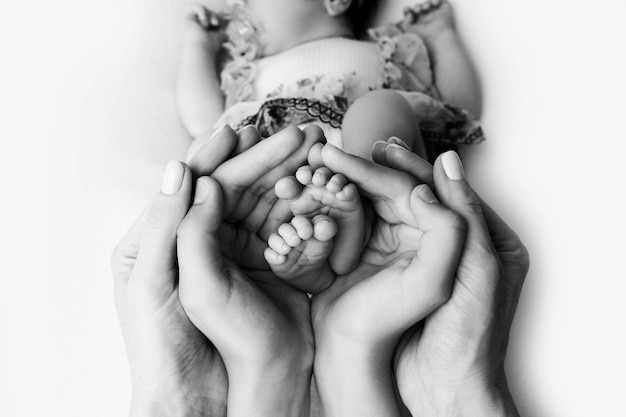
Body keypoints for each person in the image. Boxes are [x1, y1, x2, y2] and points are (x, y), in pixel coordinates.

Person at [112, 127, 528, 416]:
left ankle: (346, 232)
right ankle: (354, 216)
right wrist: (455, 396)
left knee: (215, 150)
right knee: (381, 116)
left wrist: (181, 401)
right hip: (330, 180)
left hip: (269, 192)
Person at [177, 0, 484, 161]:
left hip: (365, 169)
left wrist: (441, 35)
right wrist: (199, 46)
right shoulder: (248, 71)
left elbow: (457, 110)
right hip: (276, 182)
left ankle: (367, 184)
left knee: (381, 108)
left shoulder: (389, 52)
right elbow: (203, 123)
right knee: (209, 144)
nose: (236, 5)